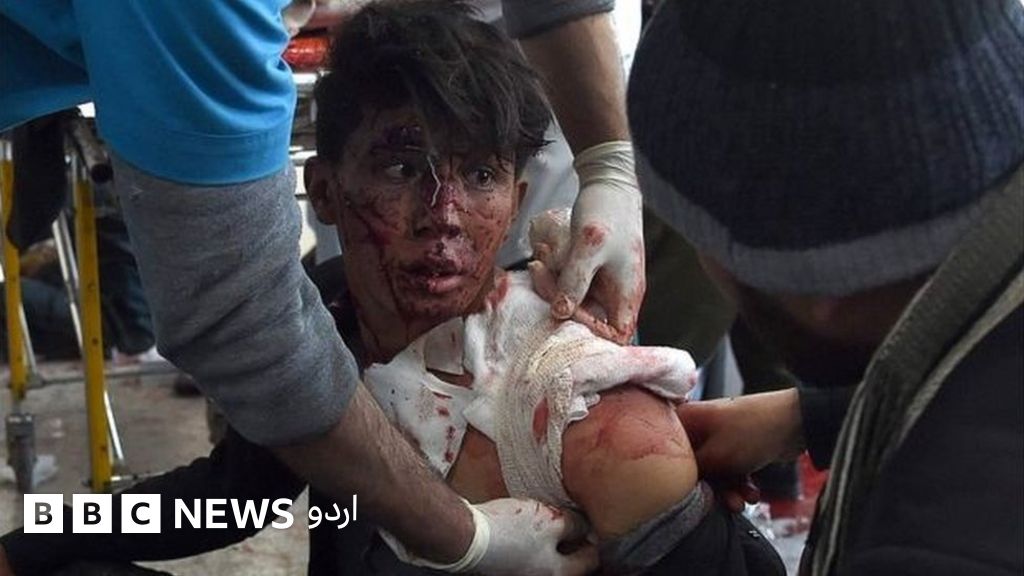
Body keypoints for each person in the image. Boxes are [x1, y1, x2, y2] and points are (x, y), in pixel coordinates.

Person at [0, 4, 784, 574]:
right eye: (403, 168)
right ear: (324, 192)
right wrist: (33, 536)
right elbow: (233, 499)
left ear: (518, 198)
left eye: (480, 176)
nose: (444, 215)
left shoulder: (581, 409)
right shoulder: (325, 323)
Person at [628, 0, 1023, 573]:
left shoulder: (936, 545)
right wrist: (816, 417)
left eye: (697, 241)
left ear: (820, 295)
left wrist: (671, 537)